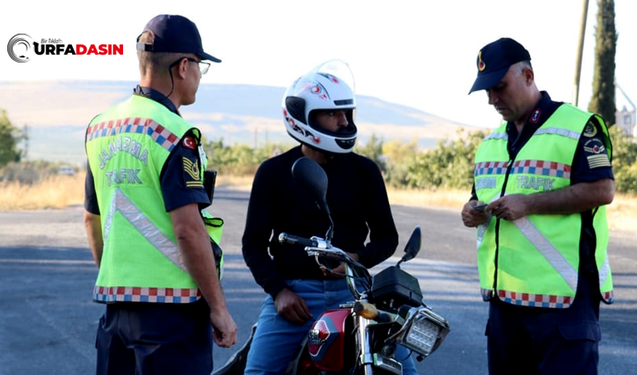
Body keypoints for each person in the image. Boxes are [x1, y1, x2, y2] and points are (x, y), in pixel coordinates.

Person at [241, 60, 418, 374]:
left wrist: (357, 258)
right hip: (296, 297)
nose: (343, 121)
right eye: (333, 113)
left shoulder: (365, 171)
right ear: (305, 117)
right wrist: (279, 292)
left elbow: (387, 238)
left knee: (403, 369)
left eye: (346, 113)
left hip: (355, 293)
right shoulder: (274, 173)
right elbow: (253, 245)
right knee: (258, 371)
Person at [83, 14, 237, 375]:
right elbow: (188, 229)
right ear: (184, 66)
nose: (200, 75)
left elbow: (92, 219)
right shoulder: (174, 134)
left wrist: (119, 283)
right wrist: (218, 308)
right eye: (200, 65)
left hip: (115, 310)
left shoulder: (100, 127)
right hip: (172, 318)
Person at [461, 37, 615, 375]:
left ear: (528, 75)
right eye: (487, 91)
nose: (492, 99)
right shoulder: (490, 144)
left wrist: (528, 204)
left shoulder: (578, 127)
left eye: (499, 87)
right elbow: (478, 198)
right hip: (504, 304)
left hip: (563, 302)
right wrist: (471, 211)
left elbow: (603, 190)